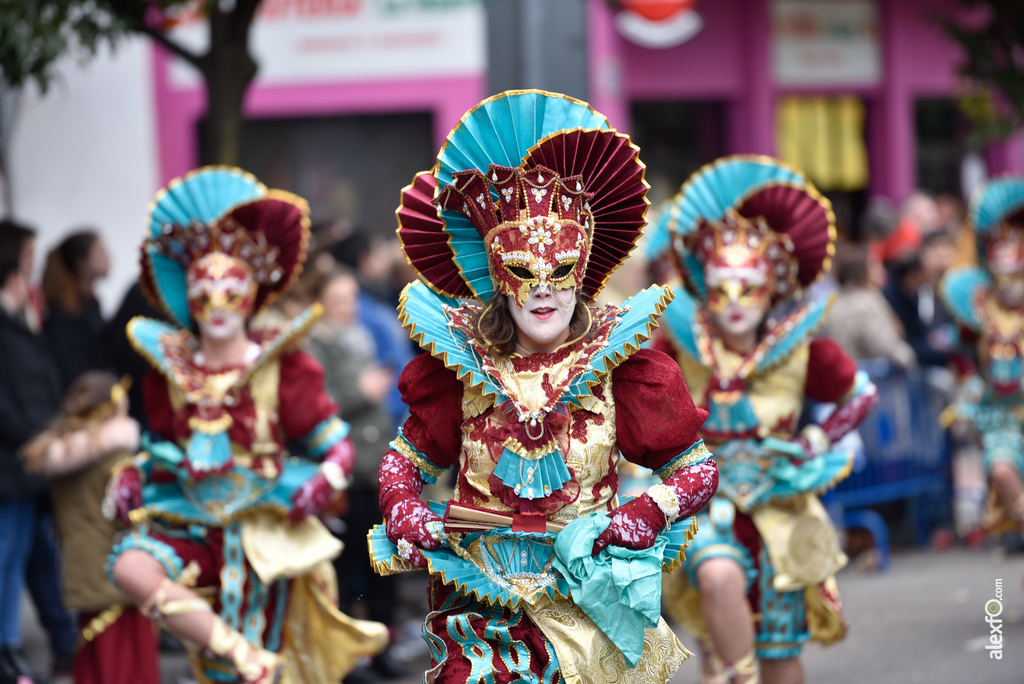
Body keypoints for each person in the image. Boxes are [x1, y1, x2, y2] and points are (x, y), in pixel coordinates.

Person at [369, 90, 719, 683]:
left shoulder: (620, 365)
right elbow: (404, 463)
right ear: (497, 276)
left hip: (586, 599)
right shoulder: (461, 366)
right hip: (479, 603)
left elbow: (696, 468)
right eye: (523, 272)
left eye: (558, 272)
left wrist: (644, 512)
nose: (542, 290)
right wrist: (402, 508)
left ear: (581, 272)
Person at [104, 166, 388, 683]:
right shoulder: (170, 370)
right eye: (203, 289)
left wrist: (327, 479)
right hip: (190, 521)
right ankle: (237, 652)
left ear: (253, 290)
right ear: (186, 294)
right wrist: (131, 472)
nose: (216, 302)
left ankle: (249, 657)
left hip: (266, 531)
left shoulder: (283, 364)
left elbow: (334, 443)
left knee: (273, 650)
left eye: (230, 288)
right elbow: (160, 446)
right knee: (129, 567)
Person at [657, 156, 879, 684]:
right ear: (703, 286)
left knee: (781, 653)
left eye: (749, 286)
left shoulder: (803, 352)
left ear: (775, 285)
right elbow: (639, 416)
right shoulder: (677, 348)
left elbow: (862, 394)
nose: (735, 303)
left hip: (781, 507)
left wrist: (817, 436)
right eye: (722, 286)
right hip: (706, 504)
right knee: (717, 578)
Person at [23, 372, 160, 684]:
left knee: (94, 658)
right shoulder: (118, 459)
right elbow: (132, 514)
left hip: (81, 565)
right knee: (125, 662)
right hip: (121, 569)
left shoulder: (61, 458)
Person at [305, 269, 405, 680]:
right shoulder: (316, 344)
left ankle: (383, 645)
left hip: (375, 464)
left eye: (352, 296)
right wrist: (359, 393)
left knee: (384, 562)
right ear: (322, 301)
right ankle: (345, 657)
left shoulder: (359, 336)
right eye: (341, 298)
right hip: (344, 473)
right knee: (346, 570)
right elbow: (314, 407)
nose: (350, 306)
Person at [940, 177, 1024, 542]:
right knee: (1003, 472)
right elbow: (961, 353)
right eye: (1003, 275)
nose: (1010, 284)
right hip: (999, 416)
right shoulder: (976, 307)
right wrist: (970, 383)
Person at [0, 220, 64, 684]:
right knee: (8, 556)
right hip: (13, 463)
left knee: (27, 555)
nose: (34, 264)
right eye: (28, 254)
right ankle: (6, 652)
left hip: (27, 464)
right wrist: (30, 436)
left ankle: (26, 649)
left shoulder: (22, 321)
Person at [823, 243, 916, 368]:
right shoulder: (864, 302)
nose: (881, 270)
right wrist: (909, 357)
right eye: (875, 265)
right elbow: (884, 345)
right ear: (861, 271)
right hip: (864, 375)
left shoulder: (835, 299)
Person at [41, 230, 110, 390]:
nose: (108, 257)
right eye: (100, 252)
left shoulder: (89, 305)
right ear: (81, 263)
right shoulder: (61, 315)